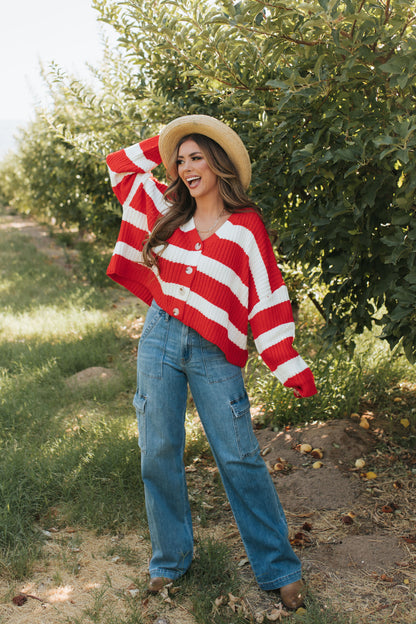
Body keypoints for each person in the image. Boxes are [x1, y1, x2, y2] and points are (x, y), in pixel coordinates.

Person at [106, 114, 317, 610]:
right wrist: (166, 138)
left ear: (219, 164)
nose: (185, 167)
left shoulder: (245, 228)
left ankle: (279, 568)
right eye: (179, 160)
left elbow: (266, 296)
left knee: (239, 456)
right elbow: (119, 169)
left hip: (213, 351)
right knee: (158, 450)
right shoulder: (169, 210)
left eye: (196, 157)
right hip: (159, 337)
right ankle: (169, 561)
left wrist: (286, 361)